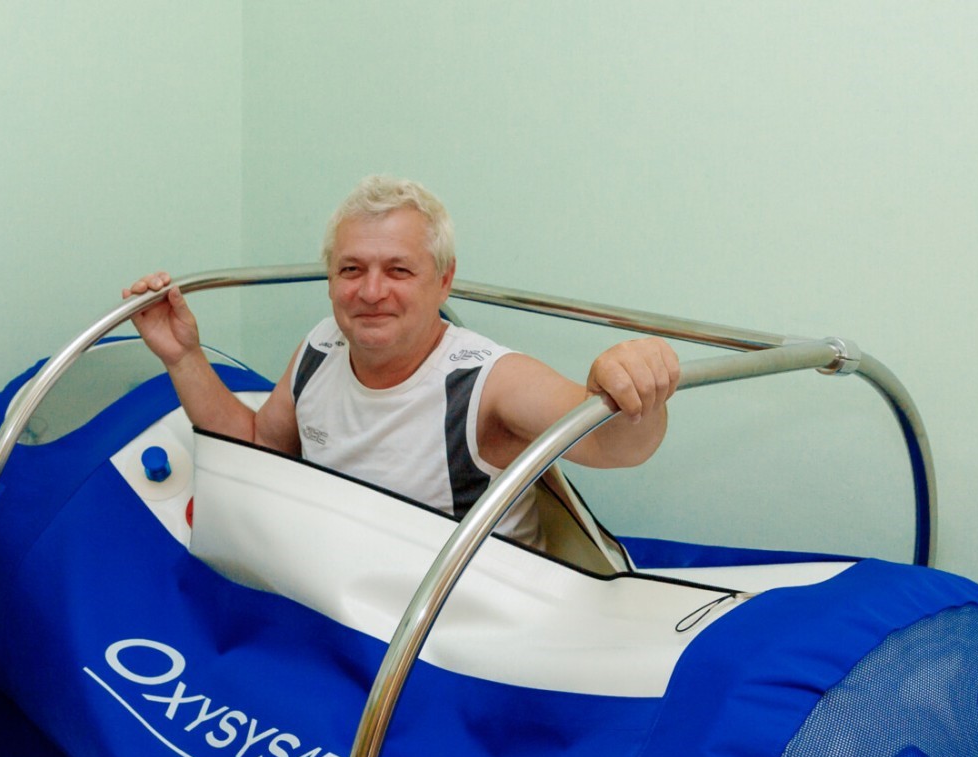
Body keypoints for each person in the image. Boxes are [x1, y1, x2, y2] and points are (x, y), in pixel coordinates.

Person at [124, 175, 679, 547]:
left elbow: (613, 446)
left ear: (444, 280)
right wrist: (184, 356)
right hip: (348, 601)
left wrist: (633, 390)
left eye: (398, 270)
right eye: (351, 270)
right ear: (330, 280)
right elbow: (258, 449)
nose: (371, 292)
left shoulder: (486, 381)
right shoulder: (320, 349)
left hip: (460, 632)